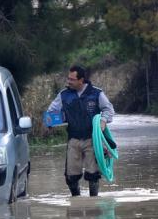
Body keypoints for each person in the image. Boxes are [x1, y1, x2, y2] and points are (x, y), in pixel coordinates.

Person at [46, 65, 115, 197]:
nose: (69, 82)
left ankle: (93, 202)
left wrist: (103, 121)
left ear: (81, 80)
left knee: (93, 175)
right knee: (71, 176)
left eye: (72, 79)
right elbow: (51, 111)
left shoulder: (96, 93)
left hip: (92, 139)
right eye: (68, 78)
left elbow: (108, 109)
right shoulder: (63, 95)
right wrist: (50, 121)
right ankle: (76, 200)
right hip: (73, 139)